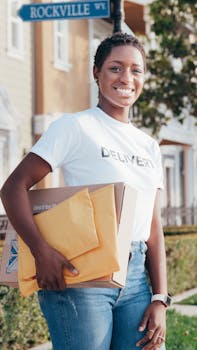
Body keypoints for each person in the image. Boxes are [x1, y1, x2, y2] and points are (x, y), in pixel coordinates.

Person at [1, 32, 169, 350]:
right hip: (81, 276)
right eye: (115, 68)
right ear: (97, 73)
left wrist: (160, 297)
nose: (127, 78)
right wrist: (41, 252)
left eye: (136, 70)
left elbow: (152, 225)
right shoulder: (75, 127)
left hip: (135, 281)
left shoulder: (148, 146)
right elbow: (13, 188)